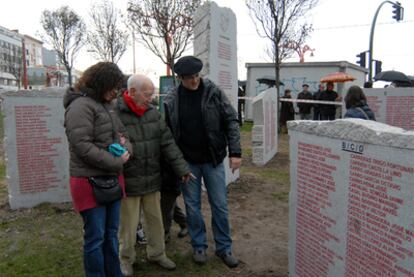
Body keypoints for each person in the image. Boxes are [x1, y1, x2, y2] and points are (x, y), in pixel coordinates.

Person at [163, 55, 242, 268]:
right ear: (180, 78)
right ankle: (198, 246)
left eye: (197, 75)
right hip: (187, 162)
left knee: (220, 205)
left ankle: (224, 248)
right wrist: (175, 163)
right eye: (189, 78)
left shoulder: (213, 92)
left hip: (213, 159)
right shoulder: (171, 100)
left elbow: (231, 120)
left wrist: (235, 152)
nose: (195, 80)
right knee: (192, 206)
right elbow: (168, 134)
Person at [116, 74, 193, 276]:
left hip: (152, 179)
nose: (151, 98)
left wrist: (182, 168)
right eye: (147, 94)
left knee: (156, 221)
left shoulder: (153, 113)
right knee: (128, 226)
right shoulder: (114, 113)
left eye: (152, 94)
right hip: (129, 182)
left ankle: (157, 254)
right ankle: (125, 259)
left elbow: (167, 142)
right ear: (132, 92)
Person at [63, 62, 131, 277]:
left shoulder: (106, 106)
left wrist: (127, 150)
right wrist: (117, 161)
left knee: (111, 234)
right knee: (95, 237)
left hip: (111, 179)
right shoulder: (79, 107)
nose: (117, 92)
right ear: (101, 83)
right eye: (113, 87)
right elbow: (82, 146)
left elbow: (124, 136)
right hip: (88, 182)